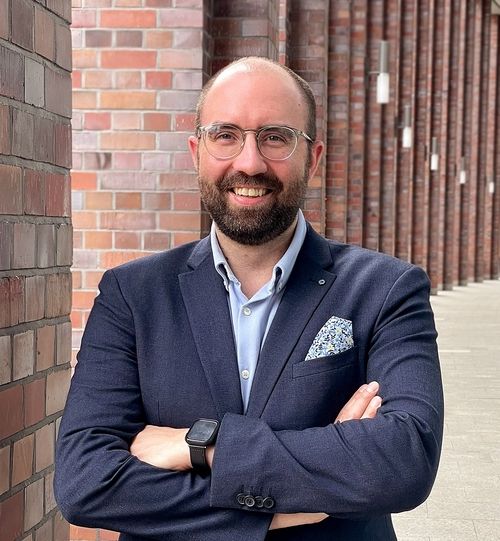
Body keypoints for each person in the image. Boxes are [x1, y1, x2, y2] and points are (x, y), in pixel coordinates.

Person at [55, 57, 444, 541]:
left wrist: (201, 446)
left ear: (313, 159)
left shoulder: (386, 289)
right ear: (197, 152)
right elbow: (85, 481)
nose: (249, 163)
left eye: (275, 137)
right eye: (226, 135)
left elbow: (404, 461)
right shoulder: (132, 294)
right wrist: (284, 504)